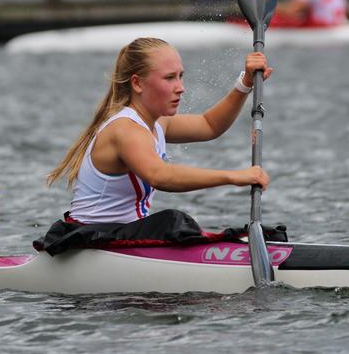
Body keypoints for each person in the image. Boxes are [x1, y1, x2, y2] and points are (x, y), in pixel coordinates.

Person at [47, 37, 271, 224]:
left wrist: (245, 83)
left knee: (174, 224)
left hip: (120, 238)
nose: (180, 88)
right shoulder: (126, 130)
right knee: (173, 221)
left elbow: (210, 125)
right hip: (90, 241)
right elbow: (159, 176)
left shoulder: (157, 123)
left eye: (180, 76)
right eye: (169, 78)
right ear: (137, 83)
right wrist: (233, 176)